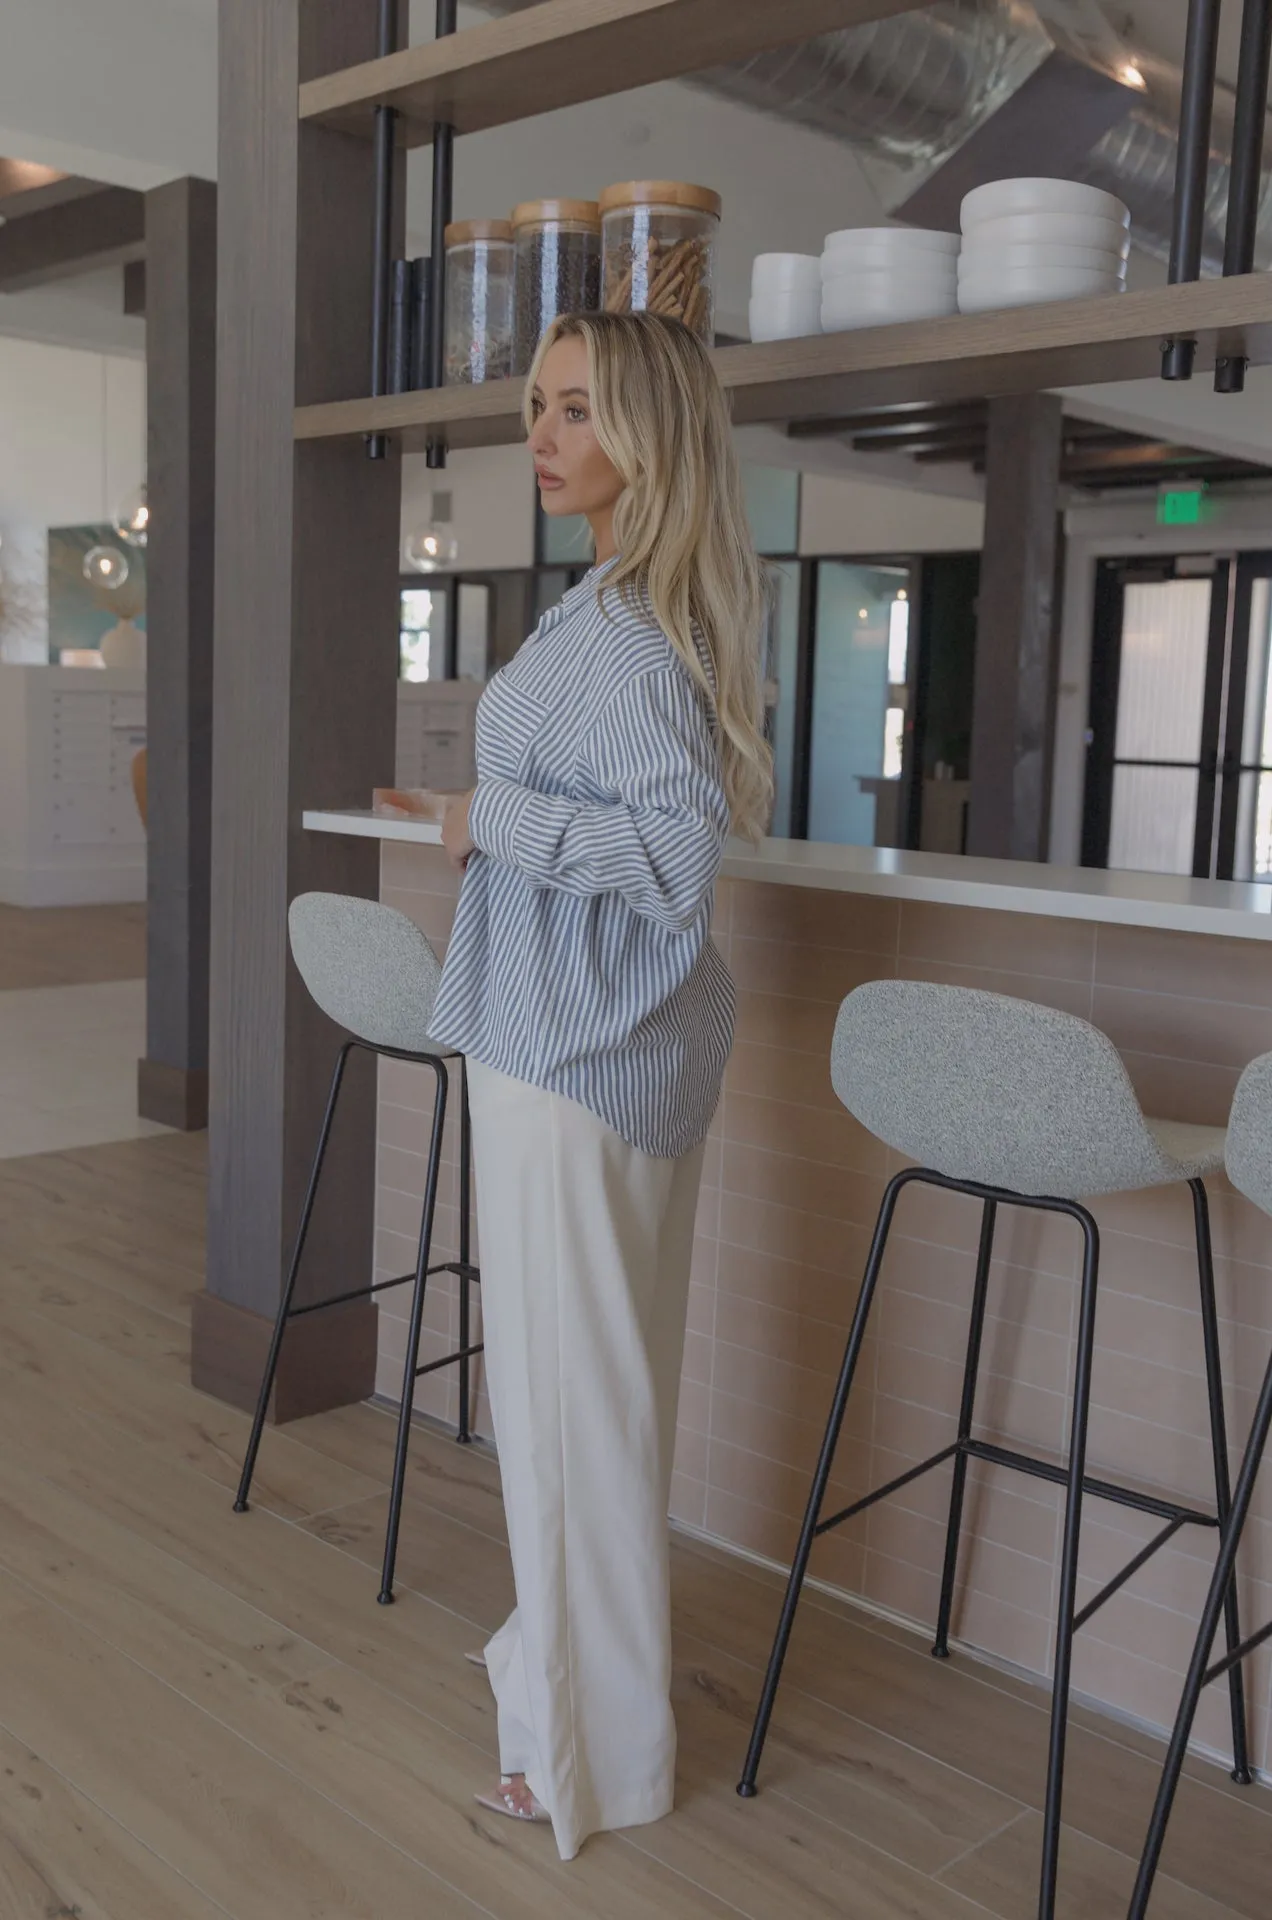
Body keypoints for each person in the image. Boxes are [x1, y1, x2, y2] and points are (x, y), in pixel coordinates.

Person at [429, 310, 772, 1860]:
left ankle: (588, 1759)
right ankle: (581, 1724)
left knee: (573, 1426)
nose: (542, 434)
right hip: (580, 1056)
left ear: (649, 436)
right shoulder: (611, 614)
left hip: (571, 1063)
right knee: (589, 1416)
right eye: (537, 406)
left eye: (575, 408)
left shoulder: (630, 646)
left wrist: (486, 819)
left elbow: (666, 863)